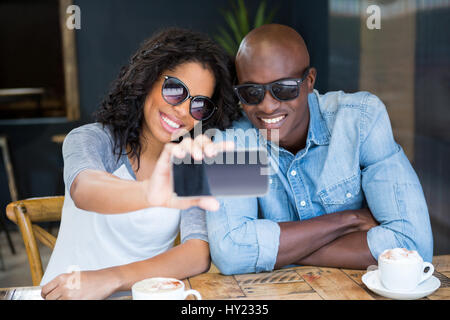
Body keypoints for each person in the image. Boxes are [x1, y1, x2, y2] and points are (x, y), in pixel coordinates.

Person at [206, 24, 433, 274]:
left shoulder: (361, 120)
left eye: (283, 89)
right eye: (251, 92)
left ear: (310, 81)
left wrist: (278, 251)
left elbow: (412, 246)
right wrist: (349, 220)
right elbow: (230, 253)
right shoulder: (234, 141)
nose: (268, 106)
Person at [40, 28, 240, 299]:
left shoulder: (189, 161)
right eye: (174, 90)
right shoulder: (92, 139)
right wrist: (148, 193)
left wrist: (109, 279)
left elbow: (197, 253)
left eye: (199, 105)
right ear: (148, 79)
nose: (183, 111)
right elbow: (85, 190)